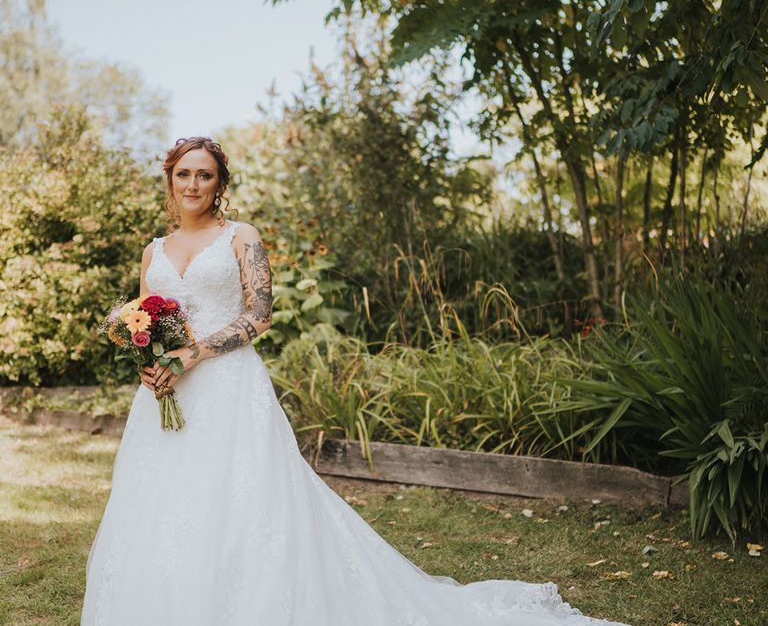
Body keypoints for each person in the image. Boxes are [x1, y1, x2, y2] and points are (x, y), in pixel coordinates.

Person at [81, 136, 628, 625]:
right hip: (166, 395)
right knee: (164, 506)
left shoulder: (240, 236)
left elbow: (259, 314)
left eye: (205, 174)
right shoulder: (153, 249)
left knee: (242, 503)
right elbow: (144, 320)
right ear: (170, 180)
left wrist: (195, 354)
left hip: (227, 386)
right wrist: (152, 364)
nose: (193, 183)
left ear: (220, 183)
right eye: (184, 173)